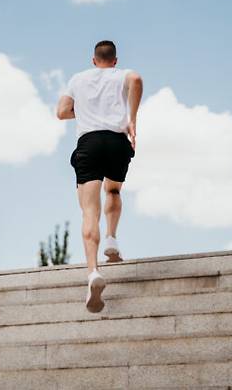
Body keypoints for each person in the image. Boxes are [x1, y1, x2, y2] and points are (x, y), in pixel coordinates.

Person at [56, 40, 143, 313]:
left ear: (93, 60)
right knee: (114, 191)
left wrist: (82, 111)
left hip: (89, 144)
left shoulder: (77, 80)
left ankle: (93, 272)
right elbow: (137, 79)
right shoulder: (122, 75)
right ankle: (112, 240)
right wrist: (132, 119)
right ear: (114, 60)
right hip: (117, 142)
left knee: (88, 212)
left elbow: (61, 112)